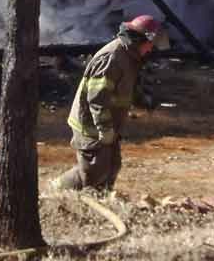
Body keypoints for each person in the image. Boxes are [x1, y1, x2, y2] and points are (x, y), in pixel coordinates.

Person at [51, 14, 169, 192]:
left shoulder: (130, 57)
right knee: (94, 170)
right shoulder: (112, 58)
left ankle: (103, 197)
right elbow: (97, 99)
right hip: (90, 124)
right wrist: (104, 130)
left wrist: (143, 100)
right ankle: (55, 190)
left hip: (108, 123)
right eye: (150, 45)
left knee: (112, 166)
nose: (151, 50)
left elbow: (127, 86)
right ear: (140, 39)